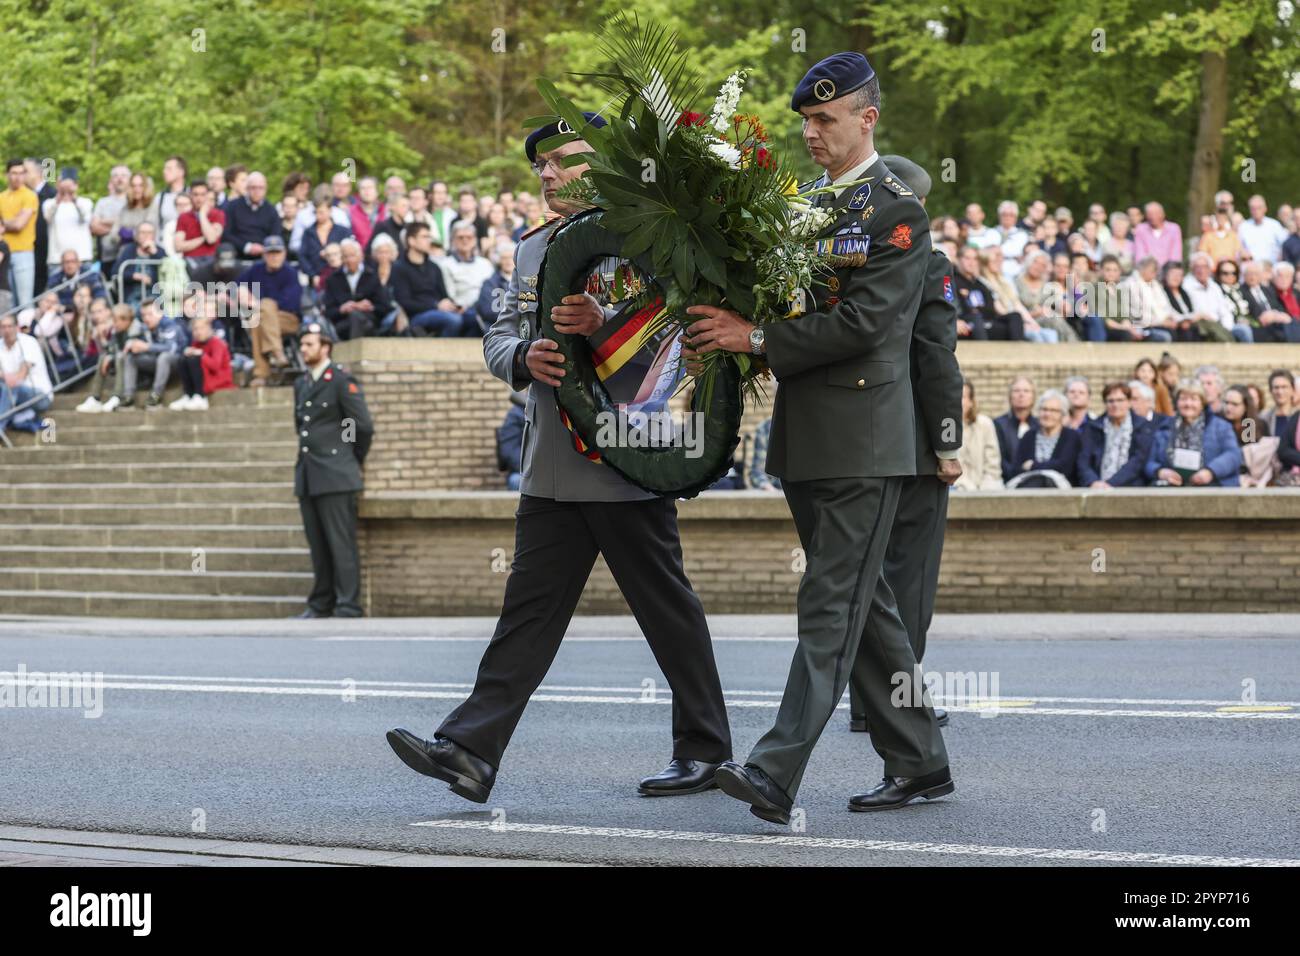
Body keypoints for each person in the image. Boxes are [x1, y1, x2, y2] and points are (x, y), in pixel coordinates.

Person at [385, 111, 732, 805]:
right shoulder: (532, 248)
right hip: (551, 459)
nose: (546, 175)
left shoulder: (648, 233)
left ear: (601, 163)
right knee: (527, 613)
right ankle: (471, 751)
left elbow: (676, 344)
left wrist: (606, 330)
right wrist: (522, 355)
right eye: (540, 166)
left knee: (665, 608)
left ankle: (704, 749)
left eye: (561, 162)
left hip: (624, 454)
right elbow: (503, 331)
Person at [685, 53, 949, 821]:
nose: (812, 133)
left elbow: (870, 325)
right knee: (867, 613)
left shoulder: (896, 209)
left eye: (825, 120)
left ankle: (774, 769)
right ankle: (921, 758)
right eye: (805, 120)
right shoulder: (804, 202)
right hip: (810, 437)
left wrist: (751, 335)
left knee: (829, 606)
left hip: (865, 443)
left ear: (867, 120)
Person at [843, 154, 963, 736]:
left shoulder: (849, 259)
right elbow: (937, 358)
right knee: (908, 577)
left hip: (856, 434)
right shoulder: (929, 264)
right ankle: (895, 700)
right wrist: (947, 443)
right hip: (912, 439)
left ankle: (868, 698)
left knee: (867, 574)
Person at [292, 320, 374, 618]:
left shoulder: (340, 379)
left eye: (309, 344)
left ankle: (347, 604)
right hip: (309, 474)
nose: (304, 349)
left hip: (336, 473)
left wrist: (350, 459)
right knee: (318, 544)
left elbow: (360, 425)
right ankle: (320, 602)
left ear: (325, 347)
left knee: (341, 544)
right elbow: (300, 425)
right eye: (302, 345)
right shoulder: (302, 382)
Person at [1145, 379, 1242, 487]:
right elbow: (1150, 463)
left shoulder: (1221, 427)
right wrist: (1160, 472)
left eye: (1194, 399)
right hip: (1172, 488)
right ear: (1176, 402)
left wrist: (1210, 472)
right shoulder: (1164, 427)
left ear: (1202, 403)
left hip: (1212, 488)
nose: (1188, 404)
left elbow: (1233, 455)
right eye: (1183, 399)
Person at [235, 235, 303, 385]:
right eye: (270, 253)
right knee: (257, 320)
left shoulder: (290, 273)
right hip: (264, 320)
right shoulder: (256, 269)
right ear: (264, 254)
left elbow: (289, 303)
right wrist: (241, 291)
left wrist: (257, 304)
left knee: (264, 307)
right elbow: (235, 286)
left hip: (288, 319)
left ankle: (262, 373)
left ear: (284, 253)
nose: (274, 257)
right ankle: (276, 355)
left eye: (277, 253)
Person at [1077, 382, 1155, 488]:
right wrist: (1093, 481)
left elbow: (1138, 461)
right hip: (1097, 487)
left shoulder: (1143, 427)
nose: (1115, 405)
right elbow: (1083, 460)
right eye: (1110, 401)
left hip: (1131, 487)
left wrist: (1111, 483)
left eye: (1120, 400)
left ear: (1129, 402)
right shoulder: (1093, 427)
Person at [390, 222, 461, 336]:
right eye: (424, 237)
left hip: (439, 312)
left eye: (429, 237)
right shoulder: (399, 268)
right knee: (453, 320)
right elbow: (404, 302)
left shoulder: (434, 267)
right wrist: (435, 306)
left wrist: (452, 305)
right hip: (415, 317)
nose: (429, 241)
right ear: (411, 241)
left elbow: (444, 295)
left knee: (471, 318)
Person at [76, 303, 143, 413]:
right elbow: (111, 348)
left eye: (116, 321)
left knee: (120, 356)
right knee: (104, 357)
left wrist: (113, 355)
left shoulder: (137, 328)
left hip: (136, 365)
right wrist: (108, 353)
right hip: (121, 362)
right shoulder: (115, 330)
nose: (114, 324)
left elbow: (129, 350)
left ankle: (117, 396)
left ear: (126, 320)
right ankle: (95, 398)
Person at [122, 297, 187, 407]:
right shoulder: (145, 327)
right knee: (131, 357)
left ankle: (156, 394)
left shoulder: (169, 324)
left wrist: (146, 347)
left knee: (164, 356)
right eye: (143, 315)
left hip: (177, 363)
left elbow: (171, 349)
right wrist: (132, 344)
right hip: (157, 362)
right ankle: (128, 395)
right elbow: (139, 344)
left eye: (150, 314)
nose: (146, 318)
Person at [1010, 389, 1082, 487]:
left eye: (1053, 410)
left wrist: (1032, 465)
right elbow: (1016, 468)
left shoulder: (1071, 437)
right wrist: (1050, 466)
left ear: (1062, 414)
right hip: (1029, 488)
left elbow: (1065, 467)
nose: (1047, 414)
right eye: (1044, 409)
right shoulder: (1029, 436)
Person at [323, 238, 390, 340]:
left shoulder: (372, 276)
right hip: (343, 322)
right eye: (345, 257)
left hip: (369, 320)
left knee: (359, 319)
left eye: (352, 255)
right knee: (353, 319)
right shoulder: (333, 280)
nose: (349, 260)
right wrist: (342, 309)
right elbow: (329, 311)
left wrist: (369, 306)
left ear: (361, 256)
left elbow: (383, 307)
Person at [0, 312, 54, 431]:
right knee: (6, 388)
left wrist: (4, 376)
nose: (6, 330)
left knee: (12, 387)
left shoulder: (28, 342)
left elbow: (19, 378)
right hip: (14, 397)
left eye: (10, 326)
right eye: (3, 327)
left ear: (16, 327)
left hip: (40, 395)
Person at [172, 313, 234, 410]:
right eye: (195, 329)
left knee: (194, 359)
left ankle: (200, 396)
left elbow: (215, 366)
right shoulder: (196, 344)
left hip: (217, 379)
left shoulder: (217, 343)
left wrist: (202, 354)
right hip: (206, 378)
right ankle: (189, 395)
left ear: (209, 328)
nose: (198, 332)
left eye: (201, 328)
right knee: (183, 359)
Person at [2, 158, 40, 307]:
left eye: (21, 173)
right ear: (7, 175)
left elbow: (19, 224)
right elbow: (15, 222)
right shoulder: (2, 197)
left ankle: (25, 330)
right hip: (4, 252)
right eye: (13, 173)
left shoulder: (30, 195)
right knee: (7, 301)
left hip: (24, 253)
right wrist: (12, 221)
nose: (17, 177)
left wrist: (4, 222)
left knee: (25, 303)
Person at [955, 379, 1003, 490]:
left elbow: (993, 466)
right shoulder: (945, 426)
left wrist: (983, 490)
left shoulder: (985, 424)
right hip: (956, 488)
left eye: (962, 397)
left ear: (971, 401)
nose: (956, 401)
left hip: (985, 487)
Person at [994, 375, 1038, 481]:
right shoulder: (998, 424)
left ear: (1033, 397)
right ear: (1010, 396)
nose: (1021, 394)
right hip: (1006, 480)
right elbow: (998, 458)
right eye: (1016, 391)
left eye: (1026, 391)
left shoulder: (1040, 424)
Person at [1261, 369, 1297, 434]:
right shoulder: (1263, 417)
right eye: (1276, 387)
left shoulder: (1298, 416)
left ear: (1293, 389)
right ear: (1270, 390)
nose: (1280, 392)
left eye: (1284, 387)